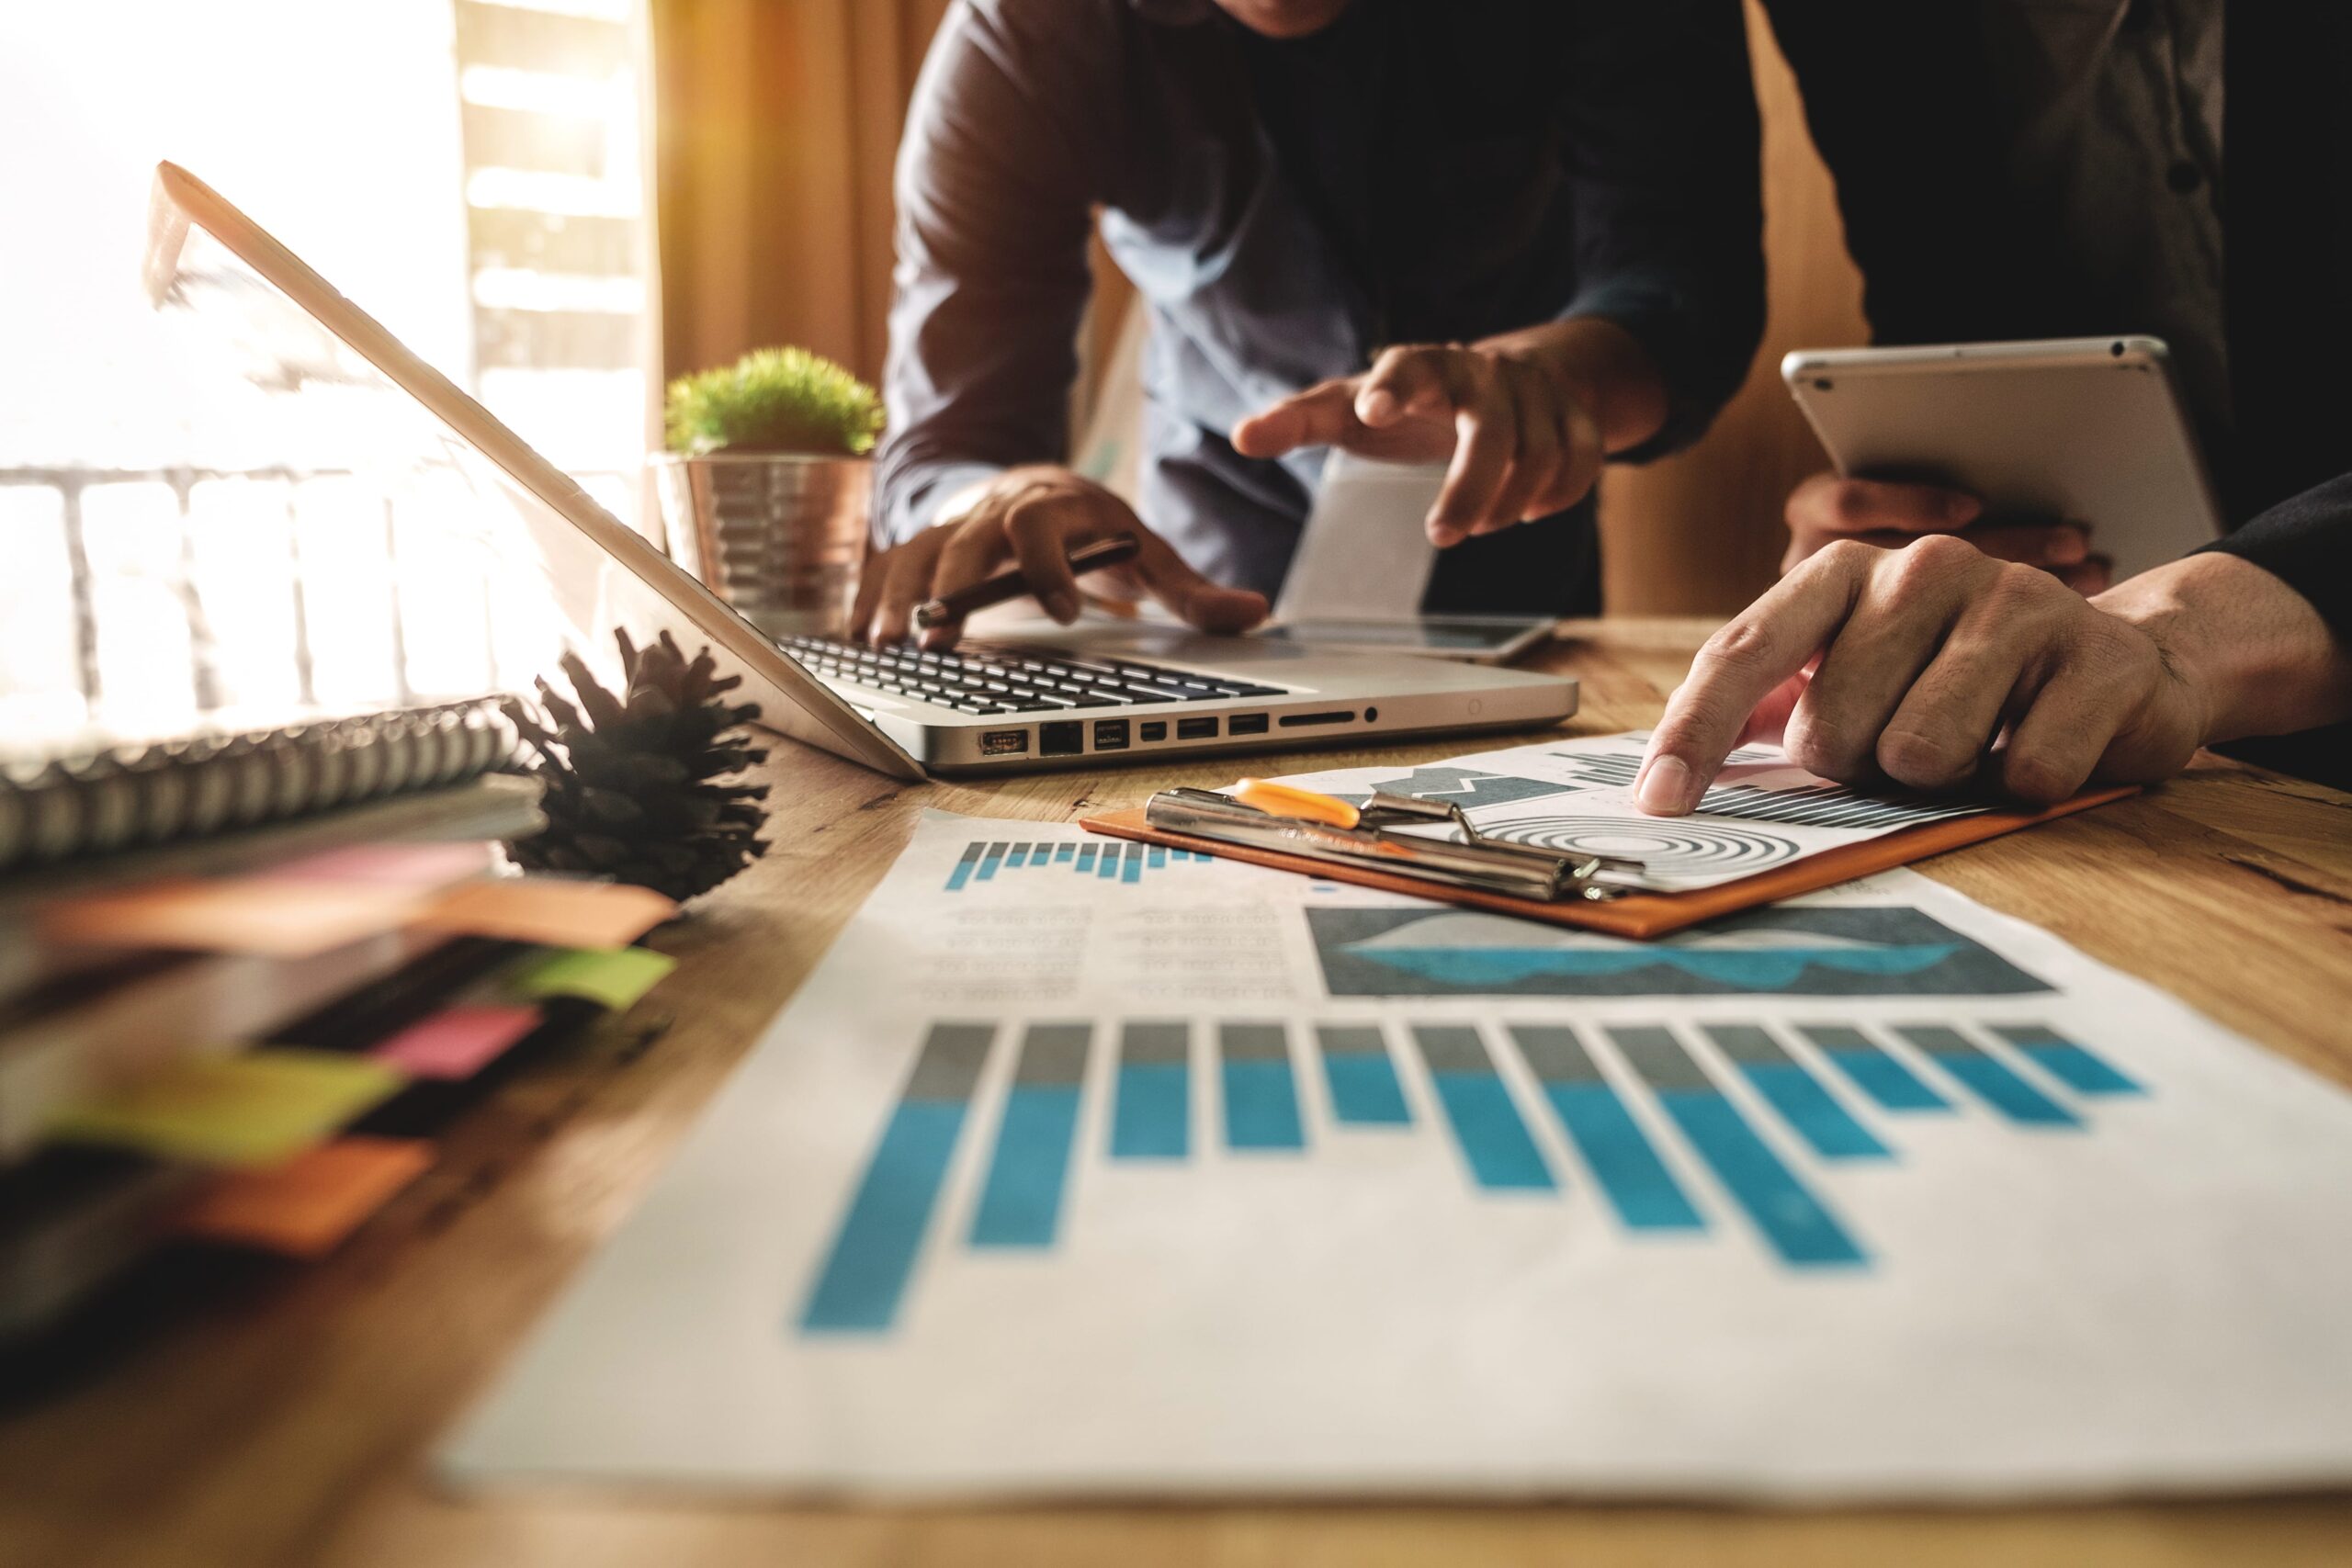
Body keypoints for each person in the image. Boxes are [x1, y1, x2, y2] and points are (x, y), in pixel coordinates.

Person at [854, 0, 1763, 649]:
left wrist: (1554, 384)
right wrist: (999, 502)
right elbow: (949, 445)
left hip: (1524, 581)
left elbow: (1686, 287)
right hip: (1207, 585)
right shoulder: (1023, 36)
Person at [1634, 1, 2352, 814]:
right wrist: (1917, 533)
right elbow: (1936, 315)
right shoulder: (1848, 23)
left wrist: (2178, 635)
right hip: (2104, 771)